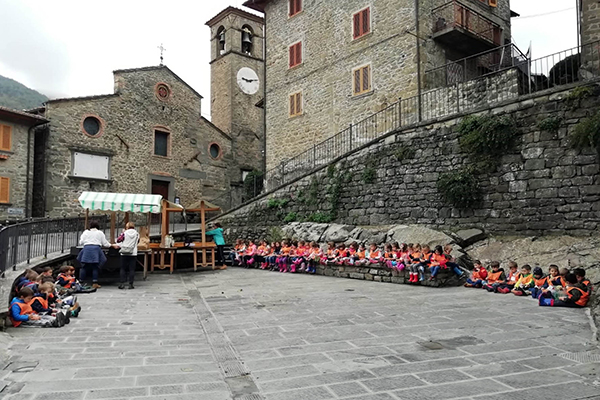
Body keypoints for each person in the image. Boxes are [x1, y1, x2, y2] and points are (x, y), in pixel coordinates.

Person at [77, 221, 111, 289]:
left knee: (84, 266)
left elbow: (81, 242)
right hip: (96, 248)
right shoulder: (100, 233)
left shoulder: (86, 232)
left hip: (86, 248)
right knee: (95, 266)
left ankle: (81, 282)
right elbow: (105, 243)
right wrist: (111, 245)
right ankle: (95, 283)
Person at [116, 222, 140, 290]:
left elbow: (119, 240)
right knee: (131, 269)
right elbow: (138, 241)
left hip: (124, 252)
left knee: (123, 268)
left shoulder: (125, 233)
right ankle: (131, 284)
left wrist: (122, 233)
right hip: (133, 252)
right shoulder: (137, 234)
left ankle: (122, 283)